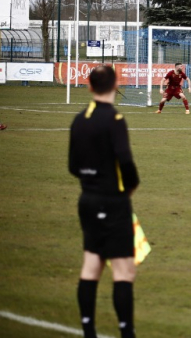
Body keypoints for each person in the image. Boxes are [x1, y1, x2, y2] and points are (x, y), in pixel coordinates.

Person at [69, 65, 140, 338]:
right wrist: (129, 188)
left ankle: (88, 329)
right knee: (124, 270)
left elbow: (73, 166)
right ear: (116, 85)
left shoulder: (79, 119)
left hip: (87, 200)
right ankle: (126, 332)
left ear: (89, 87)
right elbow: (125, 160)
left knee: (91, 265)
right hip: (113, 202)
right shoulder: (114, 119)